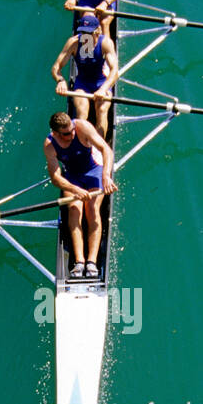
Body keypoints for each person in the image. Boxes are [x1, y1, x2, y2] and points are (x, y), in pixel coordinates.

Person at [44, 111, 117, 280]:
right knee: (74, 211)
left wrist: (106, 175)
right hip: (72, 177)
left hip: (94, 171)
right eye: (67, 134)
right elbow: (55, 178)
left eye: (72, 130)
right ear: (55, 133)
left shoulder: (82, 127)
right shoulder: (49, 145)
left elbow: (106, 150)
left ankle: (92, 262)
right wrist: (75, 190)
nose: (72, 134)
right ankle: (79, 262)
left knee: (92, 208)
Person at [51, 12, 118, 138]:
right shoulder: (74, 42)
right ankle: (83, 146)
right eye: (83, 32)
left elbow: (114, 71)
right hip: (83, 83)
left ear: (98, 31)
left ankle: (98, 147)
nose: (85, 36)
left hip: (100, 82)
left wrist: (103, 89)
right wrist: (60, 80)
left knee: (102, 110)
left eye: (89, 33)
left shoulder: (106, 43)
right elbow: (55, 68)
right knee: (81, 113)